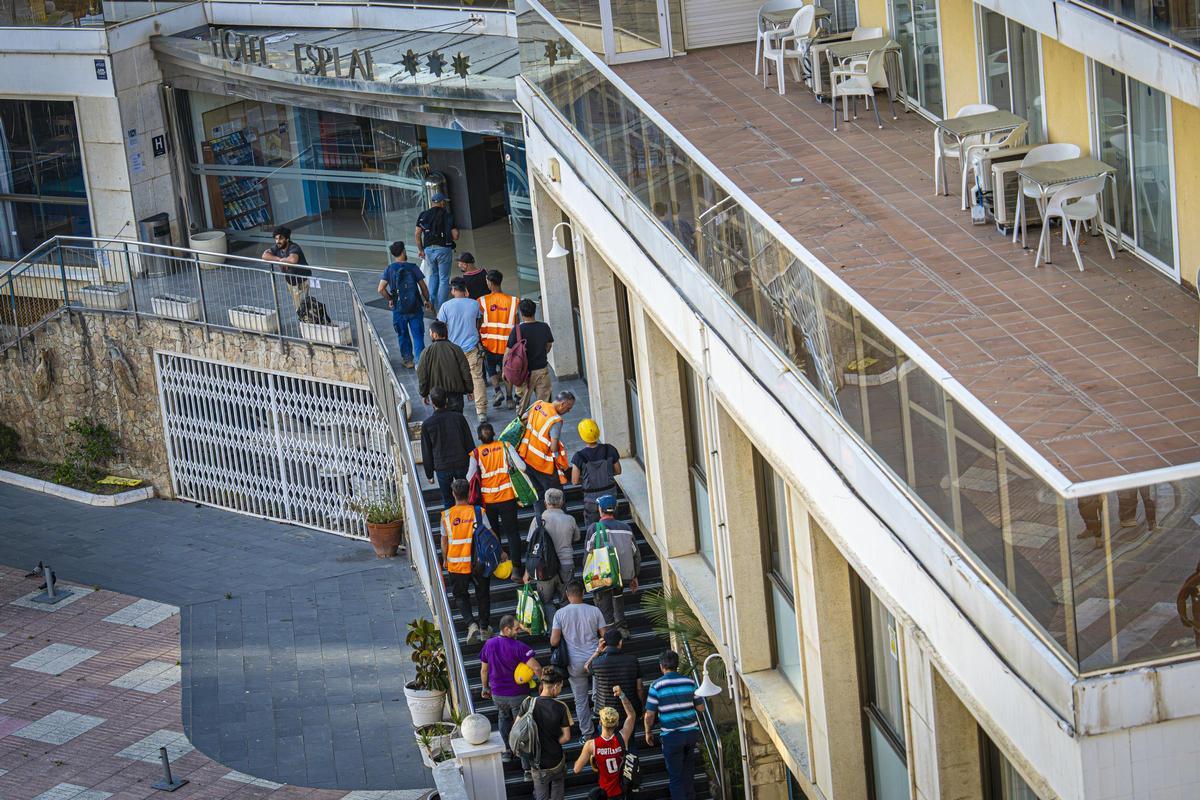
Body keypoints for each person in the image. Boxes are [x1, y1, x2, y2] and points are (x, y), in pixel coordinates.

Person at [550, 579, 607, 741]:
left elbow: (554, 641)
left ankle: (587, 734)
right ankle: (604, 727)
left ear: (567, 595)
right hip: (595, 659)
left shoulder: (560, 614)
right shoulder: (594, 611)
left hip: (574, 664)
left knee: (580, 700)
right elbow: (605, 635)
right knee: (601, 695)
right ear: (583, 593)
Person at [480, 614, 540, 762]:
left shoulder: (489, 644)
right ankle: (526, 764)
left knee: (503, 718)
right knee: (523, 725)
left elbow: (484, 670)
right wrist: (543, 684)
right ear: (506, 629)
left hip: (498, 693)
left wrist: (485, 688)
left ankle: (507, 751)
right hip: (518, 694)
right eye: (516, 629)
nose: (518, 631)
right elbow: (537, 667)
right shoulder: (519, 647)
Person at [440, 478, 493, 643]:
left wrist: (444, 560)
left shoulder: (446, 516)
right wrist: (501, 553)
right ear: (469, 493)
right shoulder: (479, 512)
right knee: (483, 594)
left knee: (461, 596)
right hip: (479, 562)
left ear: (453, 494)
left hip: (456, 565)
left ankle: (471, 625)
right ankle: (484, 627)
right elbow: (489, 534)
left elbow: (444, 540)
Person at [645, 650, 703, 800]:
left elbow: (649, 714)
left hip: (671, 736)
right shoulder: (690, 682)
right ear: (677, 665)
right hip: (691, 734)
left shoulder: (656, 686)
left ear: (661, 666)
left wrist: (648, 732)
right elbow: (701, 708)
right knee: (688, 773)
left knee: (676, 777)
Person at [468, 422, 521, 574]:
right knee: (512, 533)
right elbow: (522, 467)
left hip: (488, 501)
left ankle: (497, 565)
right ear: (494, 434)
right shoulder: (506, 446)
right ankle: (517, 567)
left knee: (494, 533)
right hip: (508, 497)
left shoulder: (476, 453)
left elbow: (469, 476)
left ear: (479, 437)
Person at [585, 495, 641, 634]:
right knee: (618, 598)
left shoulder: (594, 528)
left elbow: (588, 554)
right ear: (615, 509)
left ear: (600, 509)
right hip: (622, 575)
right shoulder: (626, 528)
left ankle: (611, 634)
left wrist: (587, 578)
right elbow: (636, 554)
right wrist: (635, 576)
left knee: (604, 607)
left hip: (603, 576)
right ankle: (622, 628)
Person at [438, 277, 489, 422]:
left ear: (453, 290)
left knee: (453, 377)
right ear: (465, 290)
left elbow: (440, 327)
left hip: (453, 350)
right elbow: (479, 321)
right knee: (477, 378)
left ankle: (454, 407)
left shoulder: (445, 306)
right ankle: (481, 411)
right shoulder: (474, 304)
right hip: (472, 348)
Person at [573, 684, 637, 799]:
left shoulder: (591, 745)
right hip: (621, 789)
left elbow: (577, 769)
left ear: (601, 723)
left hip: (603, 793)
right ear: (617, 724)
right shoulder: (623, 737)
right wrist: (622, 695)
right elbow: (631, 714)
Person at [518, 392, 576, 516]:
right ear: (562, 403)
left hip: (527, 459)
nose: (569, 410)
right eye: (569, 407)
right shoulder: (555, 420)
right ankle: (561, 521)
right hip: (544, 466)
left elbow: (522, 419)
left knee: (539, 496)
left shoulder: (538, 404)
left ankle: (541, 523)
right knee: (556, 496)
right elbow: (554, 447)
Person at [377, 241, 431, 368]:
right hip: (415, 307)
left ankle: (408, 360)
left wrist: (390, 299)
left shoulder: (389, 269)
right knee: (418, 335)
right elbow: (423, 287)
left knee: (402, 334)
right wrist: (427, 300)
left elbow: (380, 289)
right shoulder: (413, 267)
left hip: (398, 308)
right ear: (404, 251)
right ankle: (420, 361)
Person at [525, 487, 579, 611]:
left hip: (544, 567)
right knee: (567, 600)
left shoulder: (537, 521)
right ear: (562, 502)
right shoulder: (570, 519)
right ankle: (566, 627)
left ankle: (553, 627)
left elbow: (531, 547)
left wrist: (527, 571)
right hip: (566, 565)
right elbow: (577, 537)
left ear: (545, 503)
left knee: (545, 601)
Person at [421, 387, 474, 510]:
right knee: (466, 497)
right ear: (446, 400)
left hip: (442, 466)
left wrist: (429, 474)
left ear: (432, 403)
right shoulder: (459, 418)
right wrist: (474, 463)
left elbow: (426, 451)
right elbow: (469, 443)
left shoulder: (427, 424)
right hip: (462, 463)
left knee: (448, 501)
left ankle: (453, 526)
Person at [585, 629, 644, 730]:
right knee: (628, 741)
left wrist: (598, 651)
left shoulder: (597, 663)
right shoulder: (632, 660)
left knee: (607, 742)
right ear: (620, 642)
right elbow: (639, 688)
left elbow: (586, 666)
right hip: (628, 709)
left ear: (604, 643)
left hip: (605, 711)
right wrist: (642, 705)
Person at [529, 666, 573, 800]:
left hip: (537, 762)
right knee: (558, 791)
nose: (560, 690)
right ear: (555, 686)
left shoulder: (529, 703)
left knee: (541, 796)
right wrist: (553, 742)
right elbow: (566, 737)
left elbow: (516, 730)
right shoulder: (561, 707)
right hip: (556, 760)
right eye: (560, 687)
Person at [508, 298, 555, 417]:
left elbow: (508, 353)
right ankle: (544, 431)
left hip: (522, 374)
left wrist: (506, 371)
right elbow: (548, 346)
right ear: (534, 311)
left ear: (521, 313)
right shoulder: (544, 327)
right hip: (541, 371)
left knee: (522, 410)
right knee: (545, 407)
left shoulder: (517, 330)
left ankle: (524, 431)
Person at [571, 420, 622, 526]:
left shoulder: (579, 456)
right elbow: (618, 470)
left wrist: (586, 479)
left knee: (593, 529)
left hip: (591, 500)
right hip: (610, 497)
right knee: (613, 526)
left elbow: (575, 481)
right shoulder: (609, 449)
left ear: (582, 435)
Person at [479, 270, 518, 410]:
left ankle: (497, 391)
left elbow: (479, 322)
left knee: (491, 370)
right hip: (507, 345)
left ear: (490, 283)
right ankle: (509, 399)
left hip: (489, 345)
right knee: (507, 372)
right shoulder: (513, 301)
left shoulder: (482, 301)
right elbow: (517, 324)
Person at [416, 192, 459, 311]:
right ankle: (442, 307)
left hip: (428, 250)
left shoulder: (423, 215)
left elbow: (417, 234)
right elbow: (455, 236)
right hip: (444, 249)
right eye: (444, 202)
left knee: (434, 275)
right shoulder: (448, 215)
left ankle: (431, 302)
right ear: (442, 202)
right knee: (444, 279)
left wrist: (421, 250)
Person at [418, 320, 473, 412]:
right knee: (456, 422)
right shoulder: (456, 349)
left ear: (435, 334)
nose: (430, 334)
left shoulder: (426, 352)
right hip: (456, 396)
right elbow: (465, 371)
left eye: (430, 332)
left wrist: (424, 393)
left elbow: (422, 375)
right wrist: (469, 389)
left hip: (437, 396)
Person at [261, 226, 312, 312]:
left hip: (301, 280)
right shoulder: (277, 247)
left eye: (281, 239)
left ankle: (306, 321)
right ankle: (303, 320)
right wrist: (279, 259)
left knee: (303, 305)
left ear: (287, 239)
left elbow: (293, 259)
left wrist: (284, 260)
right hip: (291, 280)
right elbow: (264, 256)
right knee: (297, 304)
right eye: (276, 239)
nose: (278, 241)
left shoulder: (293, 247)